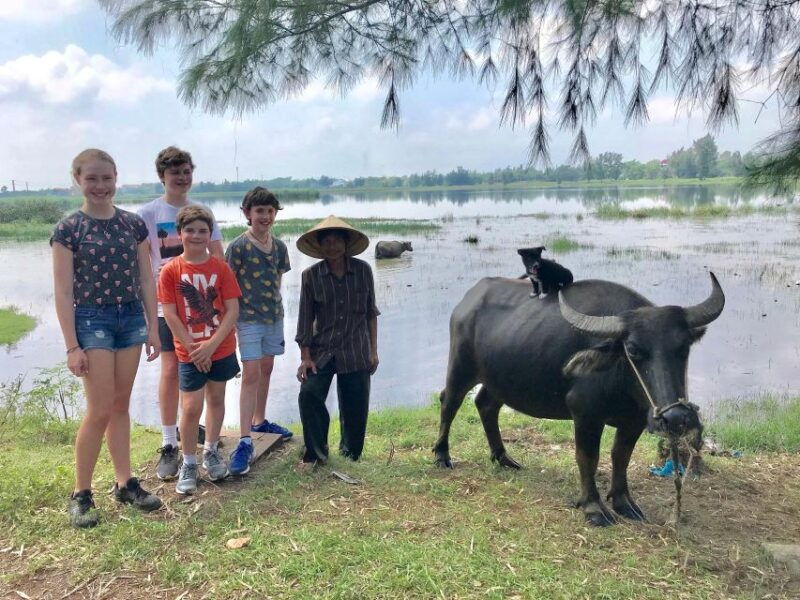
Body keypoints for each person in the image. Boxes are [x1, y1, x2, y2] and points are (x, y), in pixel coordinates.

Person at [52, 149, 162, 528]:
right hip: (91, 319)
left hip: (130, 316)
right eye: (91, 179)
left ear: (117, 178)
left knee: (119, 405)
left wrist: (152, 325)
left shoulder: (132, 225)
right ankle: (81, 493)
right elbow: (64, 291)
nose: (100, 186)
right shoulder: (69, 229)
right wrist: (71, 345)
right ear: (78, 181)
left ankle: (125, 483)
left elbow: (147, 277)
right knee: (98, 410)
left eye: (106, 178)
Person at [137, 146, 224, 480]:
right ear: (163, 176)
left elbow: (217, 256)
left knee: (207, 370)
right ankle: (169, 442)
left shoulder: (201, 212)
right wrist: (148, 311)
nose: (182, 177)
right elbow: (143, 264)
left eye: (187, 171)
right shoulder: (148, 213)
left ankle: (200, 434)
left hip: (202, 308)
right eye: (175, 172)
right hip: (166, 305)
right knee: (171, 370)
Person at [158, 205, 242, 494]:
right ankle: (189, 461)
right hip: (189, 352)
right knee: (192, 407)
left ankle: (211, 450)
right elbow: (169, 313)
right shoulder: (171, 270)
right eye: (190, 230)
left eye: (203, 230)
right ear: (179, 233)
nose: (196, 235)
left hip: (220, 347)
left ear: (210, 234)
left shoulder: (221, 267)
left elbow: (232, 310)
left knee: (217, 399)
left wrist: (211, 345)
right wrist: (194, 349)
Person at [295, 216, 380, 467]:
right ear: (320, 247)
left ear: (346, 244)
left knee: (355, 404)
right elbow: (304, 319)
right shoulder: (311, 276)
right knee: (309, 394)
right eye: (327, 242)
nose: (332, 247)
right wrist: (305, 357)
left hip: (356, 348)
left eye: (337, 241)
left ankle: (350, 453)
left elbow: (370, 314)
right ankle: (317, 453)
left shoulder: (363, 270)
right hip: (322, 350)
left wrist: (373, 351)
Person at [225, 187, 293, 476]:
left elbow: (276, 280)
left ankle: (259, 420)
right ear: (247, 214)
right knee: (250, 373)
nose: (265, 216)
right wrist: (231, 322)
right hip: (248, 319)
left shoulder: (279, 247)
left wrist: (273, 309)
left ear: (275, 213)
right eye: (259, 211)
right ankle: (244, 440)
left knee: (266, 368)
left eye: (269, 211)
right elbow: (228, 286)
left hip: (273, 317)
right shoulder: (238, 247)